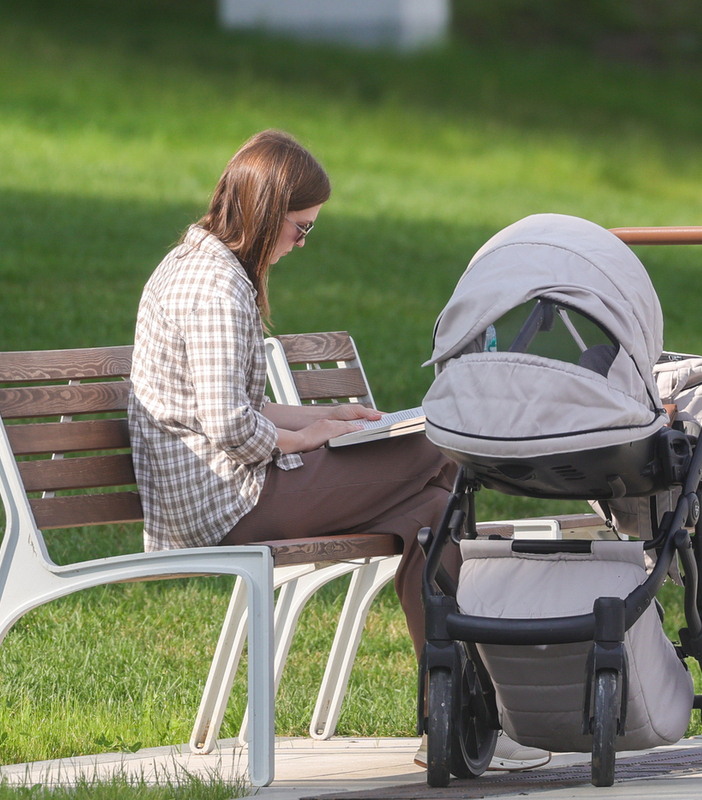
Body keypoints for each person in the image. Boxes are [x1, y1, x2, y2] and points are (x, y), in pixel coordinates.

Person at [127, 129, 548, 772]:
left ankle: (456, 718)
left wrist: (326, 420)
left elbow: (238, 405)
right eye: (301, 228)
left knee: (431, 516)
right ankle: (475, 708)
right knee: (443, 443)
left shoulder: (203, 266)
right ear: (268, 212)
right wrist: (304, 439)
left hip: (227, 489)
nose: (302, 242)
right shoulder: (215, 287)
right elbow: (230, 427)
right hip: (225, 503)